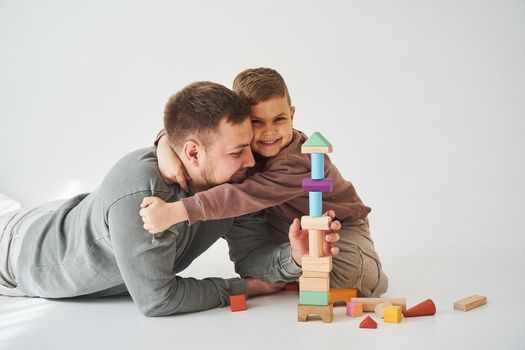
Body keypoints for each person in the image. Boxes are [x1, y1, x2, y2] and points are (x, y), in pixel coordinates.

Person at [0, 81, 341, 316]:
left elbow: (252, 258)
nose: (252, 162)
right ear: (193, 152)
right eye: (238, 152)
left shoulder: (233, 183)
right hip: (22, 251)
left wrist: (294, 258)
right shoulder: (145, 200)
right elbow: (158, 300)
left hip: (74, 215)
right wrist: (243, 288)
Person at [140, 68, 388, 297]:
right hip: (282, 229)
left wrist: (178, 211)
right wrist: (164, 144)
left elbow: (244, 196)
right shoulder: (242, 149)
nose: (269, 132)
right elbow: (194, 128)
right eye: (257, 122)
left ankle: (319, 268)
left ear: (292, 115)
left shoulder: (300, 161)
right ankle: (293, 266)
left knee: (357, 278)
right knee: (259, 266)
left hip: (338, 226)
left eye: (279, 119)